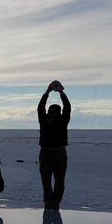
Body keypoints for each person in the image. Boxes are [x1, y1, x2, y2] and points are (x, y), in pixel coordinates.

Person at [38, 80, 71, 210]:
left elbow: (67, 107)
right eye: (50, 110)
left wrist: (61, 92)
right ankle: (48, 202)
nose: (51, 112)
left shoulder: (63, 121)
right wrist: (47, 92)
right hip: (45, 153)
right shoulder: (43, 120)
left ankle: (56, 203)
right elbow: (40, 107)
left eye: (53, 110)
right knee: (46, 180)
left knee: (59, 181)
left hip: (60, 153)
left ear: (58, 112)